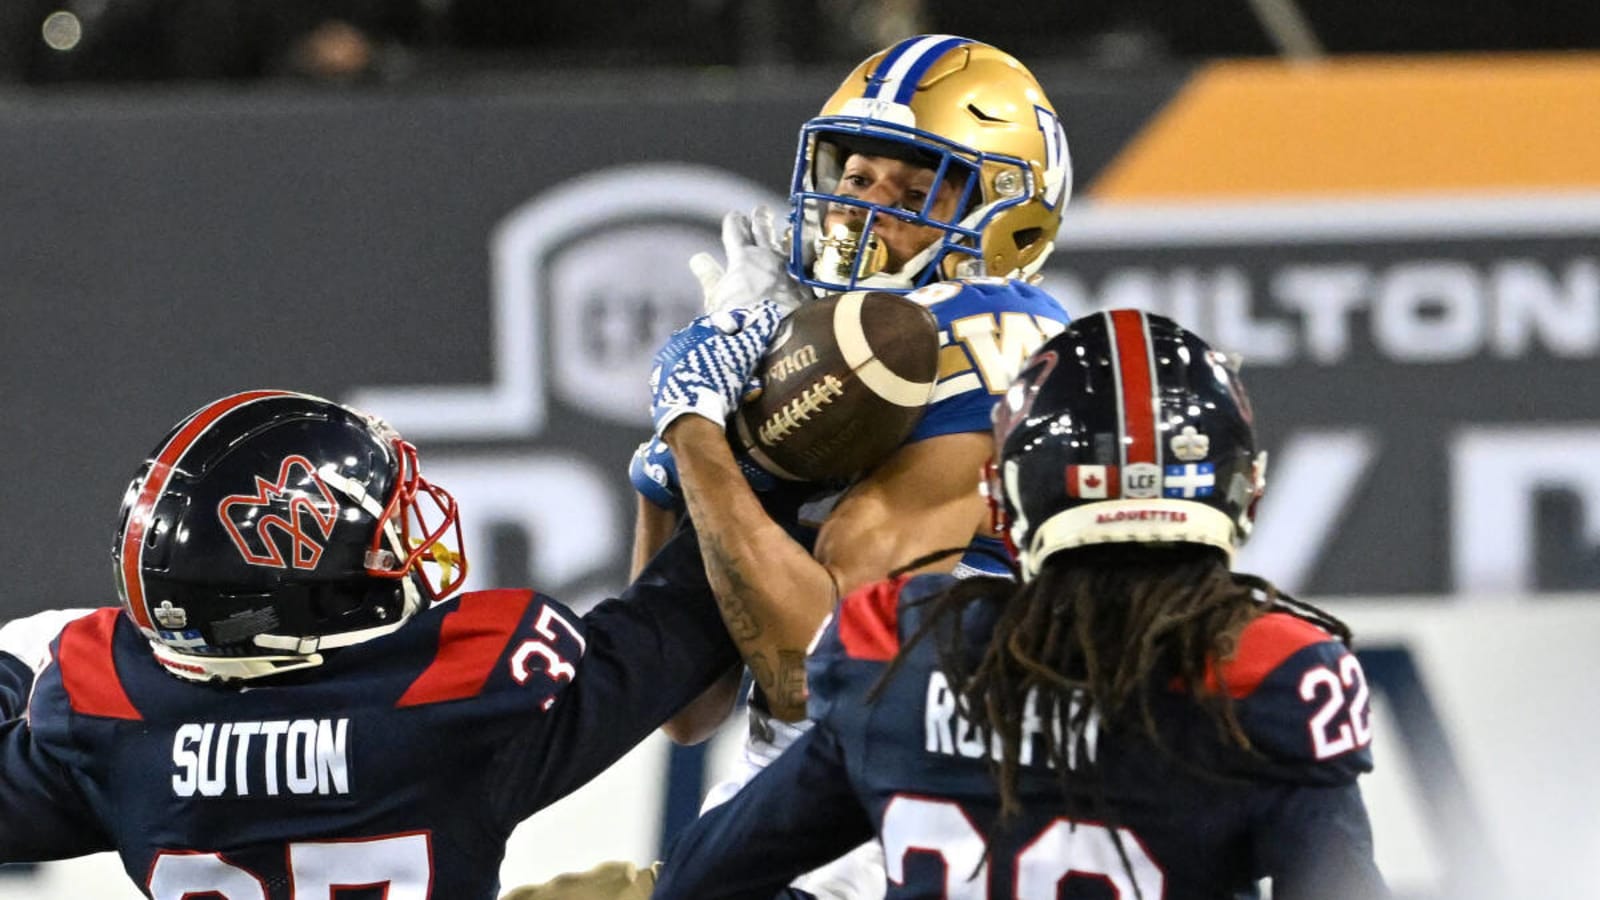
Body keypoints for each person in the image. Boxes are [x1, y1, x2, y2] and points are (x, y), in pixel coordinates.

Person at [650, 310, 1391, 899]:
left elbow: (699, 883)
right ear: (1244, 493)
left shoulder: (900, 646)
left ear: (1003, 503)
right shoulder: (1275, 675)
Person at [604, 33, 1075, 900]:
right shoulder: (824, 342)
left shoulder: (994, 329)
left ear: (1007, 215)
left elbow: (813, 675)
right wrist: (680, 462)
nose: (867, 210)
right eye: (856, 177)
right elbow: (687, 708)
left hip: (905, 812)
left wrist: (698, 429)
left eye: (917, 187)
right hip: (804, 804)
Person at [0, 389, 740, 899]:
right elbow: (681, 616)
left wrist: (12, 664)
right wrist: (727, 439)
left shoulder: (110, 726)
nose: (398, 544)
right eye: (382, 533)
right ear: (308, 591)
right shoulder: (458, 703)